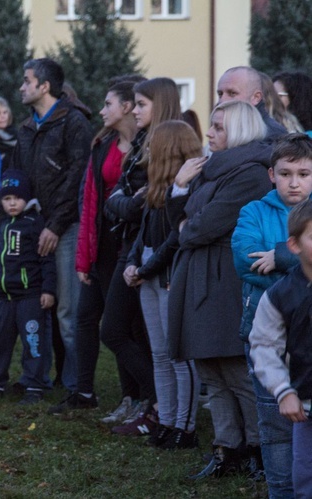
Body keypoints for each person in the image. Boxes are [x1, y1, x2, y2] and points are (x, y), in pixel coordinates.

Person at [166, 100, 271, 479]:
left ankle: (259, 450)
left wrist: (186, 223)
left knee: (235, 368)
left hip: (225, 279)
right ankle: (227, 449)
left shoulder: (251, 175)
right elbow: (178, 223)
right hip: (200, 275)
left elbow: (198, 227)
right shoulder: (211, 171)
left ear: (240, 131)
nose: (208, 134)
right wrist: (178, 190)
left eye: (218, 127)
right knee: (210, 367)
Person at [92, 78, 182, 433]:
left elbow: (137, 205)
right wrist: (122, 202)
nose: (136, 109)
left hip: (148, 248)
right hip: (130, 248)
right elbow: (120, 199)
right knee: (126, 329)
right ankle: (155, 403)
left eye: (142, 104)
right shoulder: (144, 143)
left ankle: (158, 403)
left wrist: (122, 203)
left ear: (159, 105)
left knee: (116, 330)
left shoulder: (165, 145)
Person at [52, 80, 140, 418]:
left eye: (108, 104)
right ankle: (84, 390)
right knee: (86, 315)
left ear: (128, 107)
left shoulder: (146, 146)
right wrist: (84, 255)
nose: (101, 110)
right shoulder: (102, 145)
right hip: (103, 243)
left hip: (129, 244)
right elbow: (88, 201)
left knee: (122, 325)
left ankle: (137, 396)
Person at [232, 134, 312, 497]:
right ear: (271, 175)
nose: (294, 182)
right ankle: (280, 491)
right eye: (286, 173)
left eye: (304, 173)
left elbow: (267, 261)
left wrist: (279, 256)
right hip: (267, 335)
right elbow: (245, 260)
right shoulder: (254, 212)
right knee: (276, 424)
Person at [9, 58, 93, 395]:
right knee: (43, 303)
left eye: (27, 81)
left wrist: (56, 225)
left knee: (68, 312)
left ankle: (79, 386)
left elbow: (78, 178)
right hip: (36, 226)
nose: (22, 87)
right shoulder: (27, 128)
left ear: (45, 86)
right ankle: (49, 375)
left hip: (66, 227)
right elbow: (20, 177)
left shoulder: (74, 122)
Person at [124, 121, 203, 449]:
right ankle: (167, 421)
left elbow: (176, 236)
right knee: (159, 353)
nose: (147, 149)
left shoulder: (189, 185)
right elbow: (143, 229)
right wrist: (132, 262)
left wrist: (146, 267)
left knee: (178, 354)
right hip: (148, 270)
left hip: (168, 273)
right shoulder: (154, 184)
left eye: (154, 143)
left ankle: (186, 427)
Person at [250, 198, 312, 497]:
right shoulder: (281, 296)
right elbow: (263, 346)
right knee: (305, 481)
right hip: (307, 411)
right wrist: (284, 391)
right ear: (294, 245)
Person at [0, 169, 56, 405]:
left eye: (17, 198)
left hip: (30, 297)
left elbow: (47, 261)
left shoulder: (35, 224)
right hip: (3, 297)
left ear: (27, 198)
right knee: (1, 341)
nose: (12, 203)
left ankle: (34, 385)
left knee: (33, 342)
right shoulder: (3, 225)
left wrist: (48, 290)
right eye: (6, 199)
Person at [216, 66, 287, 139]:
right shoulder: (222, 128)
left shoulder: (272, 135)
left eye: (232, 93)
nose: (222, 100)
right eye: (220, 94)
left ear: (256, 97)